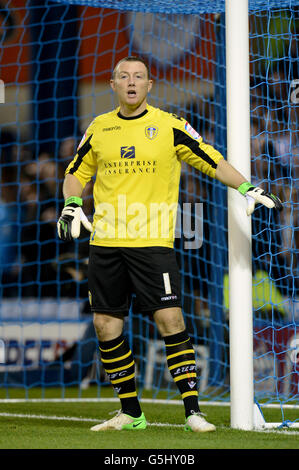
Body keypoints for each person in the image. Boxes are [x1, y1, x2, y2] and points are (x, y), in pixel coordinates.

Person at [57, 56, 282, 433]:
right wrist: (72, 202)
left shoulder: (169, 125)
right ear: (112, 85)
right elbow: (75, 173)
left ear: (150, 85)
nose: (131, 82)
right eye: (124, 76)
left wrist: (245, 186)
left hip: (152, 243)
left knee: (170, 319)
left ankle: (193, 411)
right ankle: (130, 413)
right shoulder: (99, 127)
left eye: (139, 77)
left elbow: (210, 158)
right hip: (106, 242)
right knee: (105, 324)